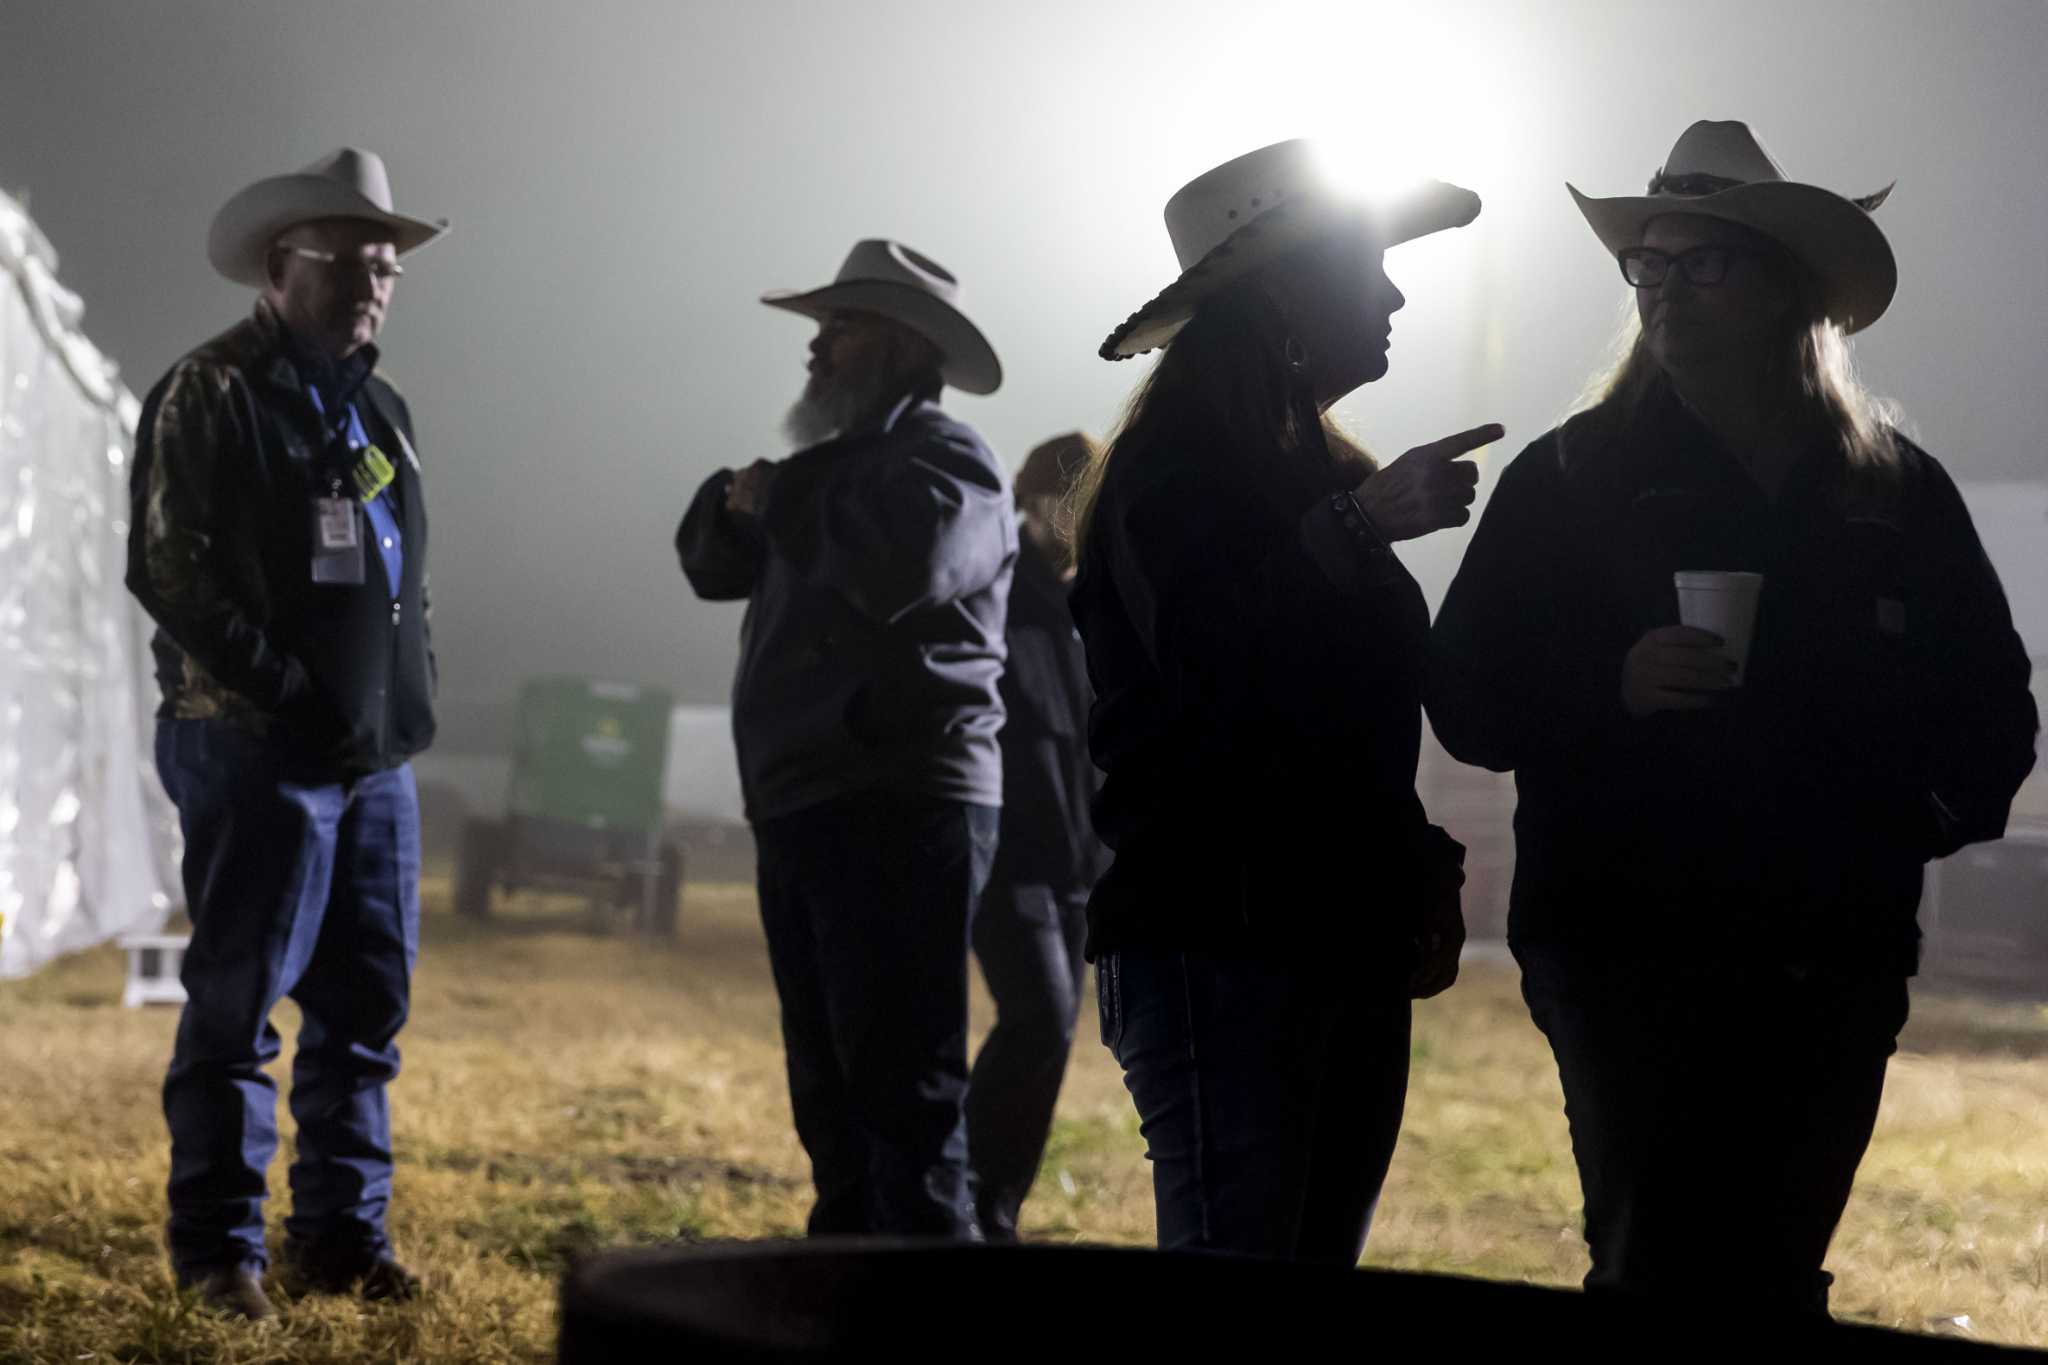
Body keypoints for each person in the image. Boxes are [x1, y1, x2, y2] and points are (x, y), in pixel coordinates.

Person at [1427, 120, 2039, 1318]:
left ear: (1783, 293)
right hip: (1620, 937)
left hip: (1829, 948)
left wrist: (1902, 822)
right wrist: (1610, 685)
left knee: (1771, 1267)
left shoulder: (1892, 490)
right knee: (1652, 1259)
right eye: (1645, 265)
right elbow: (1462, 695)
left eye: (1700, 263)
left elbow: (1990, 710)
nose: (1661, 290)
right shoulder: (1567, 477)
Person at [1068, 139, 1495, 1262]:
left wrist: (1414, 860)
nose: (1394, 290)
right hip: (1218, 935)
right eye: (1366, 262)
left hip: (1328, 934)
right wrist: (1353, 531)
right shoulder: (1173, 469)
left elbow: (1338, 720)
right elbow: (1209, 666)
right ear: (1280, 290)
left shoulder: (1313, 471)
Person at [126, 148, 448, 1319]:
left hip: (372, 763)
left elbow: (400, 577)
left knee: (365, 1012)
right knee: (238, 1007)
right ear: (278, 266)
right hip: (258, 748)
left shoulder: (380, 408)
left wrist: (401, 696)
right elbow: (169, 572)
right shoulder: (210, 390)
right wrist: (292, 694)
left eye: (387, 268)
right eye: (349, 263)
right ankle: (219, 1254)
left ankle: (339, 1239)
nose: (373, 284)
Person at [676, 240, 1015, 1238]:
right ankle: (849, 1297)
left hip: (894, 805)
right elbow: (709, 564)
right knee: (830, 1090)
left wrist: (778, 499)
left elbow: (900, 564)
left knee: (900, 1095)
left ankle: (909, 1303)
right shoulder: (835, 471)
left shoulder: (948, 462)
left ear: (904, 347)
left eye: (841, 325)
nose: (815, 349)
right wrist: (743, 504)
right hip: (811, 804)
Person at [965, 432, 1112, 1242]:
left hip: (1071, 866)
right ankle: (974, 1195)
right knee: (1040, 1016)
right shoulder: (998, 588)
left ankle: (996, 1207)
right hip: (1011, 854)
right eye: (1077, 501)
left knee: (1049, 1033)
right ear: (1039, 500)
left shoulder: (1080, 606)